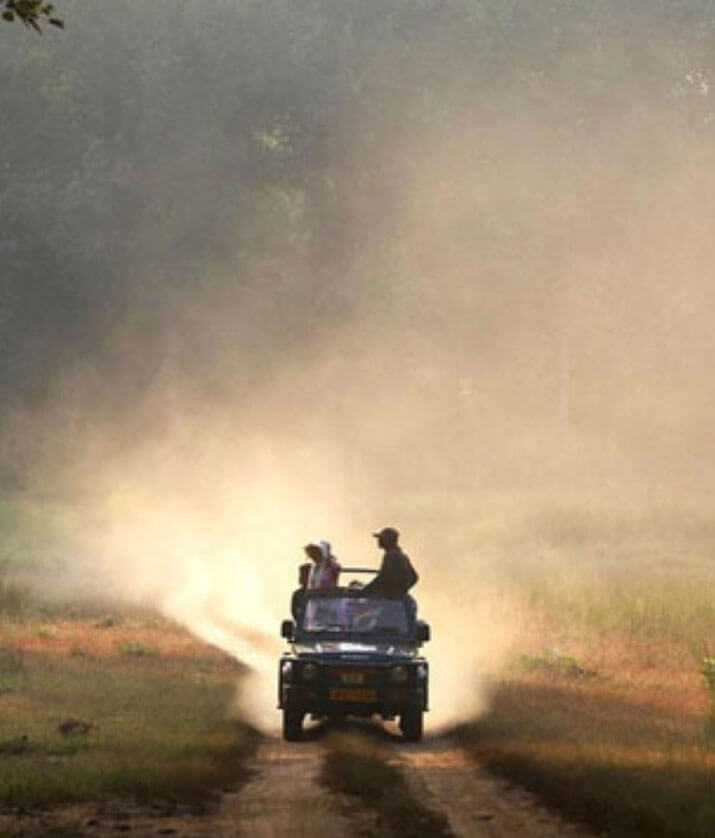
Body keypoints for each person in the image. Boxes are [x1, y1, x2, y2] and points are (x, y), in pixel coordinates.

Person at [362, 527, 418, 598]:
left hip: (388, 598)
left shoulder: (391, 555)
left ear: (387, 540)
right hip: (395, 597)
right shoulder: (402, 555)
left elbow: (382, 578)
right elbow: (414, 577)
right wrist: (403, 591)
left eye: (381, 538)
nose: (379, 541)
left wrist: (364, 591)